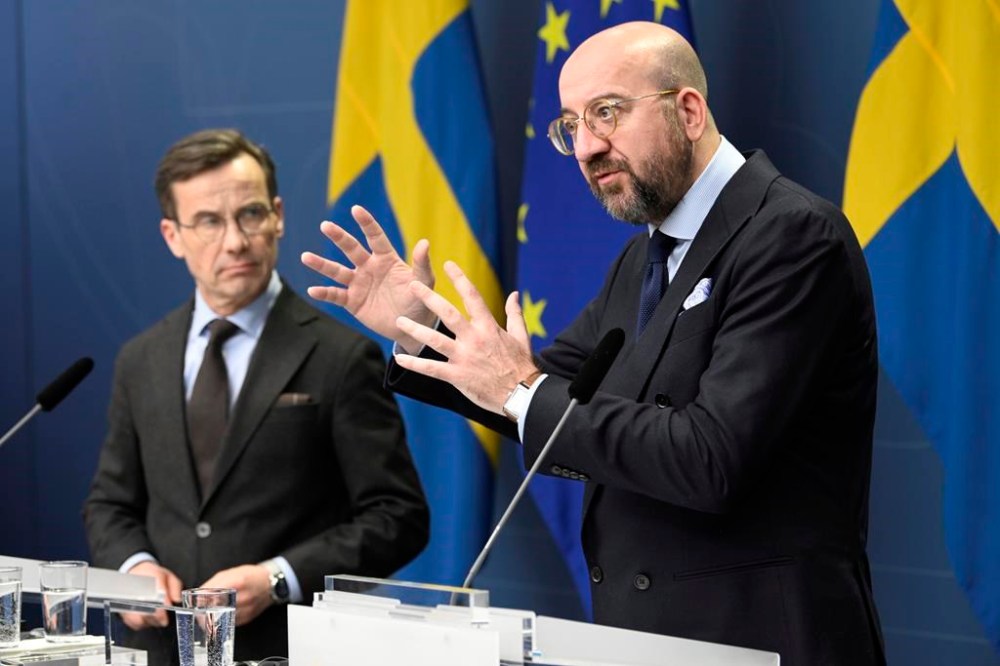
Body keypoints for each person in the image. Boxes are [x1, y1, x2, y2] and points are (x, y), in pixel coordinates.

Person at [302, 21, 884, 666]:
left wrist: (522, 389)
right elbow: (541, 396)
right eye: (571, 126)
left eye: (606, 114)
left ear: (688, 110)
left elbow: (710, 457)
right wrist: (423, 328)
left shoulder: (792, 236)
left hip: (764, 640)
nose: (585, 148)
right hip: (647, 639)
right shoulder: (643, 260)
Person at [84, 128, 430, 661]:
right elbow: (111, 504)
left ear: (278, 216)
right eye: (208, 221)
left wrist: (276, 578)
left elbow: (397, 517)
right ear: (172, 236)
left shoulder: (340, 356)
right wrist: (134, 568)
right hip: (158, 649)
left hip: (288, 649)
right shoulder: (141, 359)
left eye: (249, 215)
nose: (236, 242)